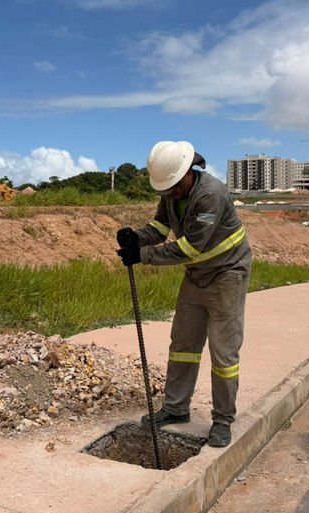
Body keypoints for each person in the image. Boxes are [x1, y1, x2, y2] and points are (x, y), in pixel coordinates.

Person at [116, 140, 251, 447]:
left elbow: (191, 248)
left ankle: (222, 419)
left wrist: (143, 256)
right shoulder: (172, 191)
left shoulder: (211, 195)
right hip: (198, 273)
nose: (169, 194)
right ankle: (176, 408)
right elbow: (160, 228)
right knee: (183, 343)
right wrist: (135, 237)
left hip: (227, 273)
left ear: (189, 172)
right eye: (165, 190)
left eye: (174, 187)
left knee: (223, 351)